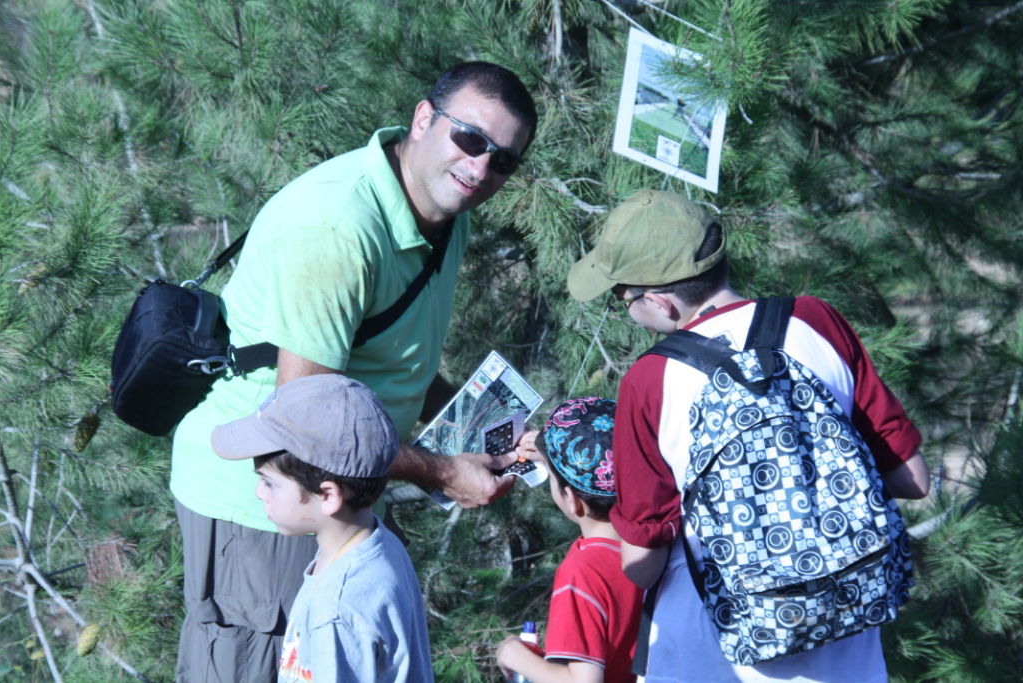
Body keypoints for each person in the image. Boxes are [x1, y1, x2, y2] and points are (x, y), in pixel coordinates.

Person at [170, 62, 537, 681]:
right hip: (267, 501)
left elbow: (393, 359)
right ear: (424, 119)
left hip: (343, 495)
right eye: (469, 140)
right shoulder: (338, 228)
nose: (480, 170)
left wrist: (484, 433)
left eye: (502, 160)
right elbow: (305, 428)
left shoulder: (446, 210)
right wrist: (443, 471)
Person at [565, 189, 931, 682]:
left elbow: (643, 564)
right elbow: (913, 478)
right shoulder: (815, 320)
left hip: (717, 654)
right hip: (849, 641)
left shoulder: (651, 379)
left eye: (621, 298)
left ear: (659, 302)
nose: (624, 309)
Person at [210, 374, 432, 682]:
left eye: (269, 482)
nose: (260, 493)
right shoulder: (377, 541)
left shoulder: (336, 611)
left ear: (328, 495)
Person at [496, 397, 644, 683]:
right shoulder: (652, 543)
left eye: (552, 477)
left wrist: (514, 654)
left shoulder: (583, 572)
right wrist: (553, 453)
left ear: (572, 500)